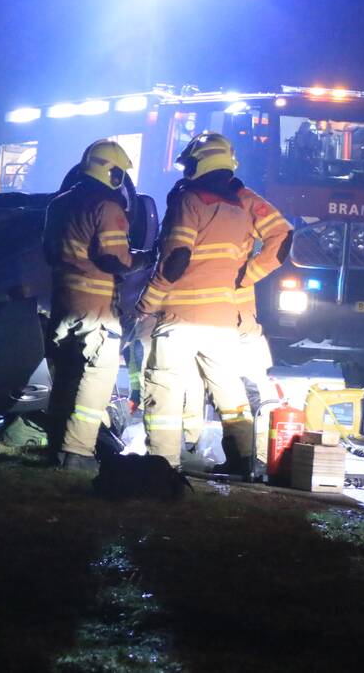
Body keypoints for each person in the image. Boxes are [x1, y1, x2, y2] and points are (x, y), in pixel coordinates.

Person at [137, 132, 292, 477]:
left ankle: (162, 465)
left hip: (181, 318)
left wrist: (147, 302)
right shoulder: (241, 203)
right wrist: (245, 276)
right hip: (224, 320)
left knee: (163, 388)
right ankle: (245, 460)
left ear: (201, 163)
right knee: (231, 393)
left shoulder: (190, 200)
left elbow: (176, 258)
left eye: (190, 164)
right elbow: (283, 238)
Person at [42, 139, 153, 471]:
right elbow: (113, 258)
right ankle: (77, 452)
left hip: (63, 304)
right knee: (96, 380)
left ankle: (55, 451)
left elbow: (48, 253)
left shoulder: (58, 204)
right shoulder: (107, 207)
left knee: (64, 379)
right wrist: (142, 259)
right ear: (112, 172)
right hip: (96, 310)